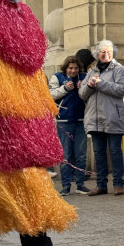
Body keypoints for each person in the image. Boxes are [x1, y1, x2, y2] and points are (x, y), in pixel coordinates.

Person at [0, 0, 76, 246]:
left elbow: (33, 51)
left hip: (18, 118)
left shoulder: (21, 13)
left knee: (28, 181)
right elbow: (22, 49)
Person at [79, 40, 124, 196]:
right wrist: (89, 86)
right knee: (99, 153)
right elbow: (81, 94)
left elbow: (121, 89)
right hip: (95, 119)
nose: (105, 54)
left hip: (112, 117)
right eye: (102, 52)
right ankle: (101, 185)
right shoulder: (91, 71)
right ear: (97, 54)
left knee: (115, 151)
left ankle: (118, 184)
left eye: (108, 51)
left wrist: (100, 84)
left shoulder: (119, 70)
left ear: (112, 53)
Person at [49, 55, 90, 196]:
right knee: (65, 155)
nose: (73, 71)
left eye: (76, 68)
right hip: (64, 122)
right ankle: (66, 186)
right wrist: (65, 88)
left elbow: (90, 94)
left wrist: (83, 88)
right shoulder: (57, 77)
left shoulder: (84, 77)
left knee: (81, 155)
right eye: (71, 68)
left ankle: (80, 184)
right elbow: (50, 95)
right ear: (66, 68)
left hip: (80, 120)